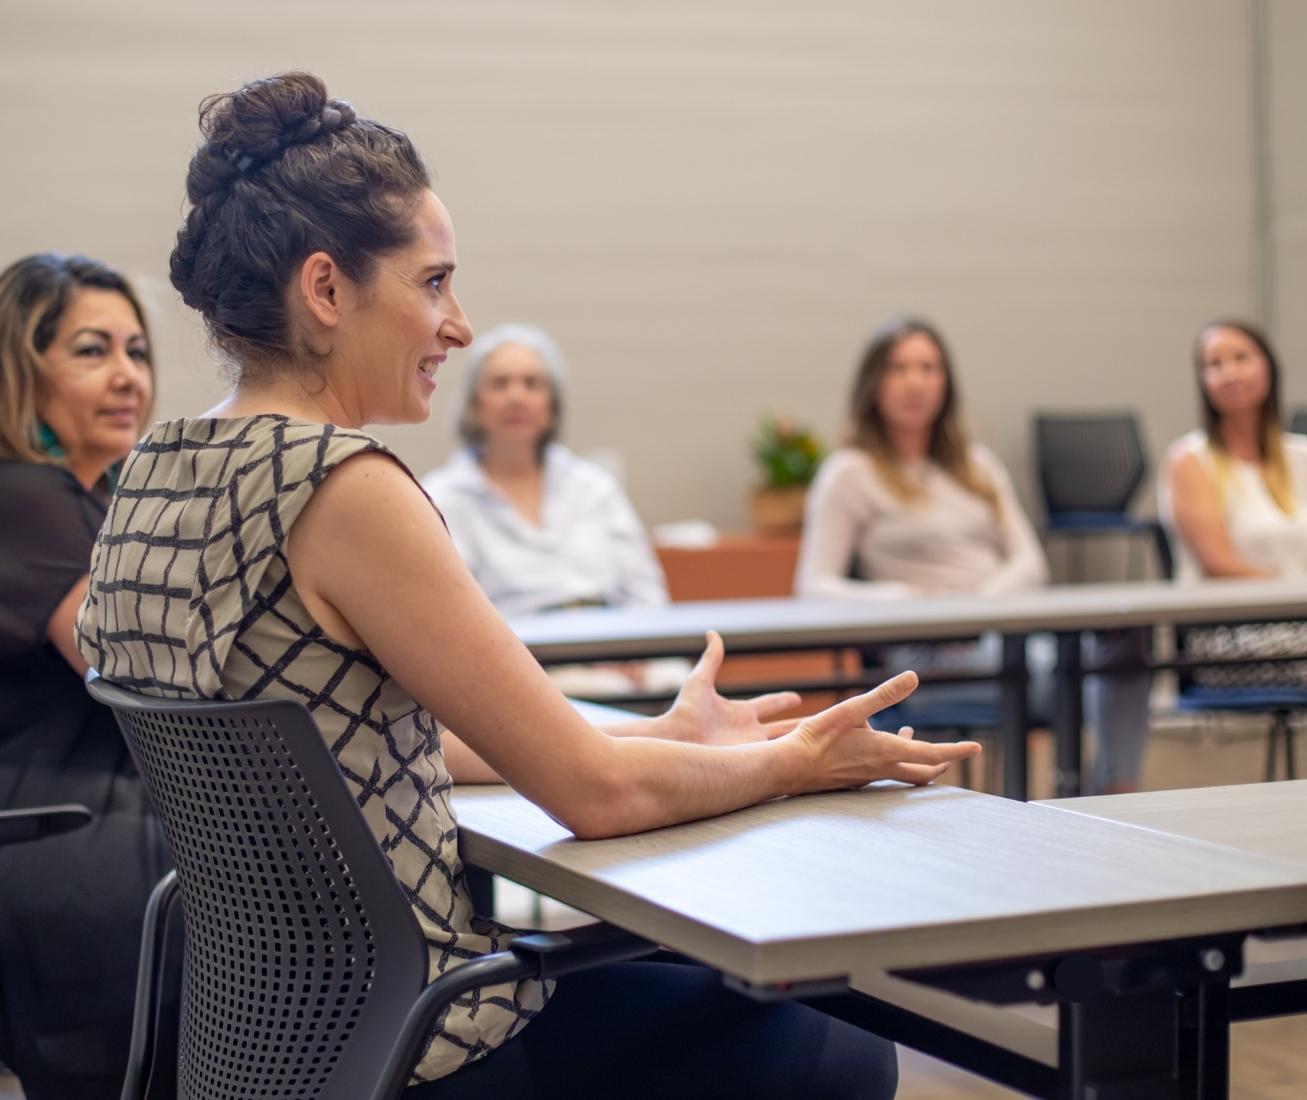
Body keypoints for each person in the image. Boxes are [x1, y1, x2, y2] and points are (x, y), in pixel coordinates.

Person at [76, 71, 979, 1099]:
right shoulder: (342, 488)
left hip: (264, 1040)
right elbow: (596, 799)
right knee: (841, 1048)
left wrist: (664, 734)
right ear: (326, 290)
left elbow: (344, 741)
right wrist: (795, 759)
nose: (458, 325)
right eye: (431, 283)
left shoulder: (152, 470)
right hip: (425, 1045)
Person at [796, 316, 1154, 793]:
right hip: (929, 653)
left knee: (1121, 650)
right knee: (1072, 673)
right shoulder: (849, 473)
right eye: (898, 369)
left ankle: (1113, 795)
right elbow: (813, 587)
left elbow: (1030, 562)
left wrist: (980, 608)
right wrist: (908, 600)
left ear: (946, 382)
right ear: (873, 384)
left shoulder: (977, 465)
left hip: (1005, 637)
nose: (915, 382)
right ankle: (1083, 803)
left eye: (928, 368)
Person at [0, 253, 171, 1099]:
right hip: (65, 837)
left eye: (137, 352)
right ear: (22, 371)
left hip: (93, 824)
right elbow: (149, 677)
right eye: (92, 351)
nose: (126, 377)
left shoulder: (84, 500)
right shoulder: (26, 497)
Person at [1159, 319, 1307, 704]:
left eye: (1241, 358)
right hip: (1228, 633)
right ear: (1202, 380)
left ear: (1268, 367)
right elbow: (1219, 564)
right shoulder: (1189, 460)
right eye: (1215, 364)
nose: (1230, 373)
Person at [422, 322, 668, 615]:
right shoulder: (442, 499)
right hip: (514, 652)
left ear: (552, 406)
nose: (516, 397)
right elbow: (452, 614)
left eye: (532, 383)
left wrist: (636, 649)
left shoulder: (594, 487)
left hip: (621, 647)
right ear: (474, 404)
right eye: (500, 383)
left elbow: (647, 592)